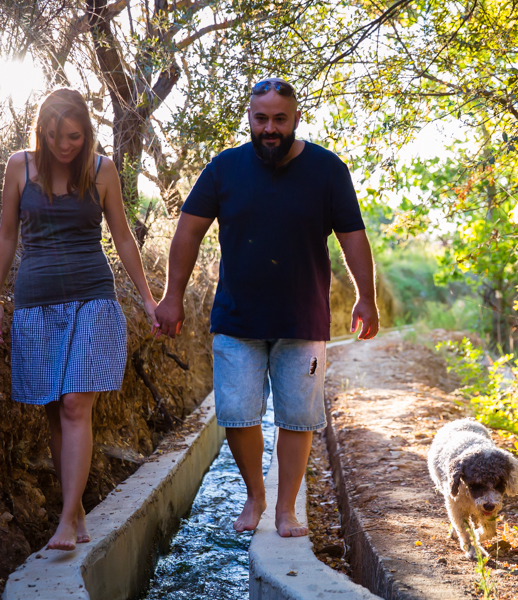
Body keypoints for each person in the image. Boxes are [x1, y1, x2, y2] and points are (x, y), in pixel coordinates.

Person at [154, 77, 379, 537]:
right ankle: (256, 495)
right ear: (250, 119)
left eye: (280, 119)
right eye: (261, 119)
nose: (270, 128)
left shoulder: (327, 170)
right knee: (238, 414)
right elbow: (188, 232)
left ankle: (285, 509)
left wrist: (367, 297)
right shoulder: (223, 169)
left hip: (303, 318)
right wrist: (172, 295)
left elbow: (353, 236)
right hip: (238, 318)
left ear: (296, 118)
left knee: (298, 416)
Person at [0, 88, 158, 551]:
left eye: (75, 137)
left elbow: (122, 237)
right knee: (53, 410)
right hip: (36, 301)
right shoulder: (19, 166)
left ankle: (64, 521)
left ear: (87, 132)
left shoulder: (101, 171)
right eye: (58, 137)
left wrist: (146, 300)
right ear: (42, 131)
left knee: (76, 404)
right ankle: (76, 511)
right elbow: (5, 234)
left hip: (93, 299)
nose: (66, 146)